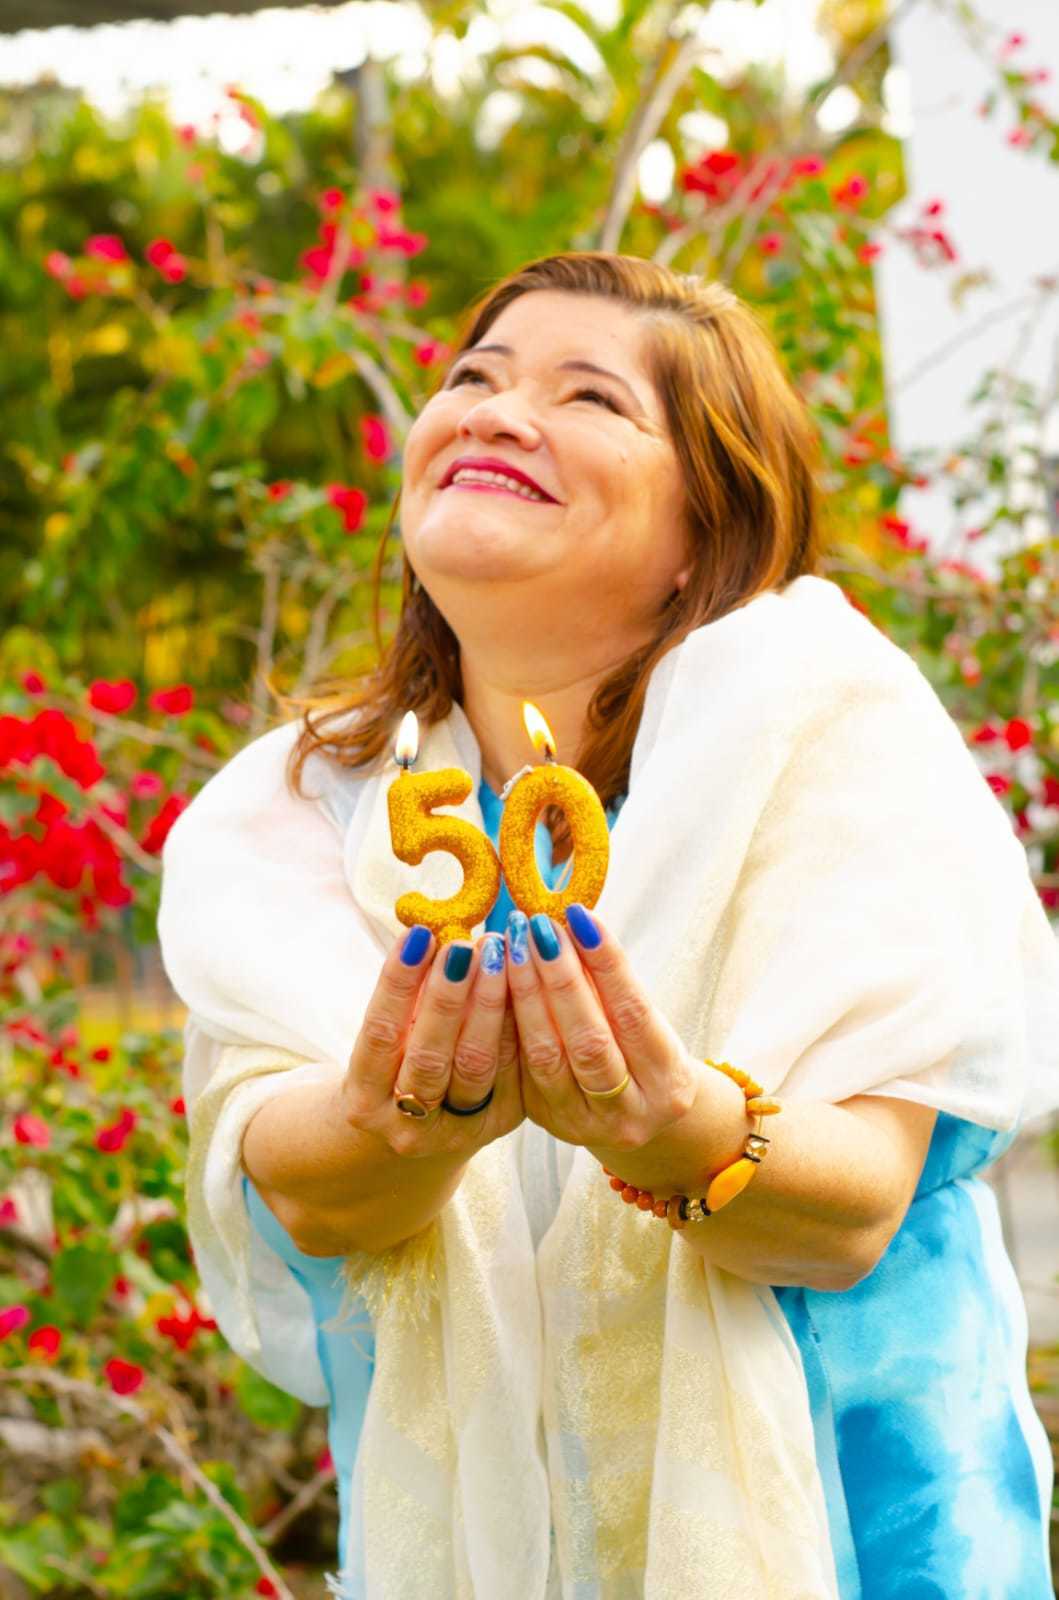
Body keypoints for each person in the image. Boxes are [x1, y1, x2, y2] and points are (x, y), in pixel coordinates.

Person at [157, 251, 1059, 1600]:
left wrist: (674, 1128)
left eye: (589, 396)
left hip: (861, 1532)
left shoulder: (829, 734)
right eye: (476, 376)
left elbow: (857, 1206)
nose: (498, 412)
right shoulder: (295, 811)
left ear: (707, 527)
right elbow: (292, 1186)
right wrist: (398, 1124)